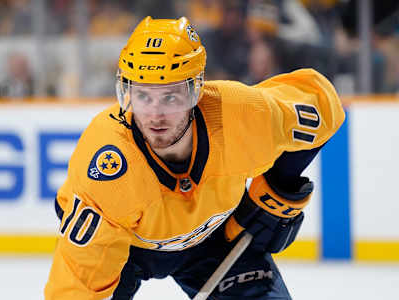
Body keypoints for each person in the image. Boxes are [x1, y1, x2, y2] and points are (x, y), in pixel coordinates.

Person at [45, 16, 345, 299]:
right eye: (143, 96)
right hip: (127, 251)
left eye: (170, 96)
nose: (155, 115)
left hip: (215, 242)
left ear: (196, 90)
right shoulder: (108, 166)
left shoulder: (239, 115)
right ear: (126, 92)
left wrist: (276, 190)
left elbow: (322, 104)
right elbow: (76, 283)